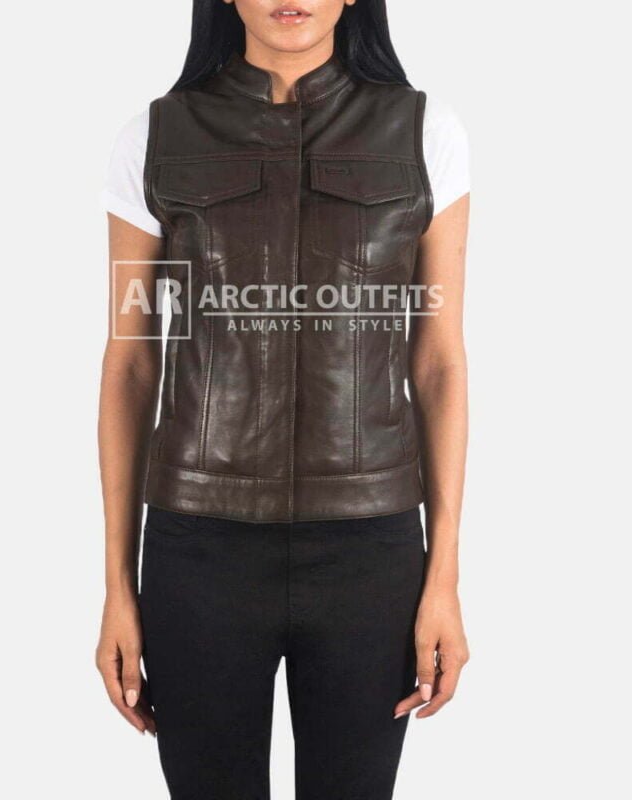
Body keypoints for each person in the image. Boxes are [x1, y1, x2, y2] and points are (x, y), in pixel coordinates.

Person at [97, 1, 470, 797]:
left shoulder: (423, 133)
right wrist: (117, 587)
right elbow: (131, 364)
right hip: (199, 551)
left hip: (370, 554)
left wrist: (443, 578)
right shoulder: (157, 137)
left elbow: (437, 361)